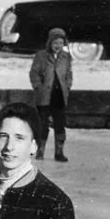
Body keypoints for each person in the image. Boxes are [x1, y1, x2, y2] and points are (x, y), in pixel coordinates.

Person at [28, 27, 74, 161]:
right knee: (43, 124)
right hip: (44, 97)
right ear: (50, 43)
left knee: (60, 125)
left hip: (59, 96)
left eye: (60, 43)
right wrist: (38, 87)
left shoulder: (66, 57)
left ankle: (59, 152)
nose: (57, 46)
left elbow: (69, 74)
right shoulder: (41, 56)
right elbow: (34, 73)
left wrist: (67, 87)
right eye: (55, 43)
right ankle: (40, 151)